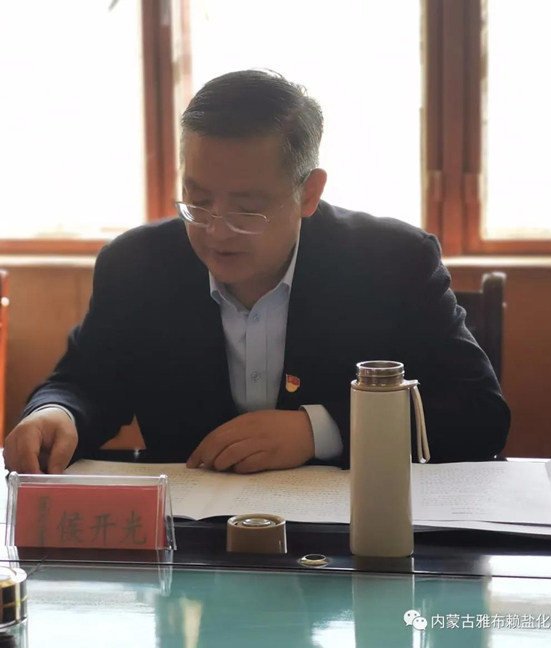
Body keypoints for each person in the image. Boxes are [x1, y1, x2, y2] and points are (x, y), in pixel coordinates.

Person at [4, 70, 510, 475]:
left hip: (349, 546)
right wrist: (56, 414)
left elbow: (479, 412)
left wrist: (320, 430)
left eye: (247, 209)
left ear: (308, 193)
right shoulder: (136, 264)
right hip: (190, 548)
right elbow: (85, 381)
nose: (217, 230)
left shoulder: (392, 261)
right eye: (198, 200)